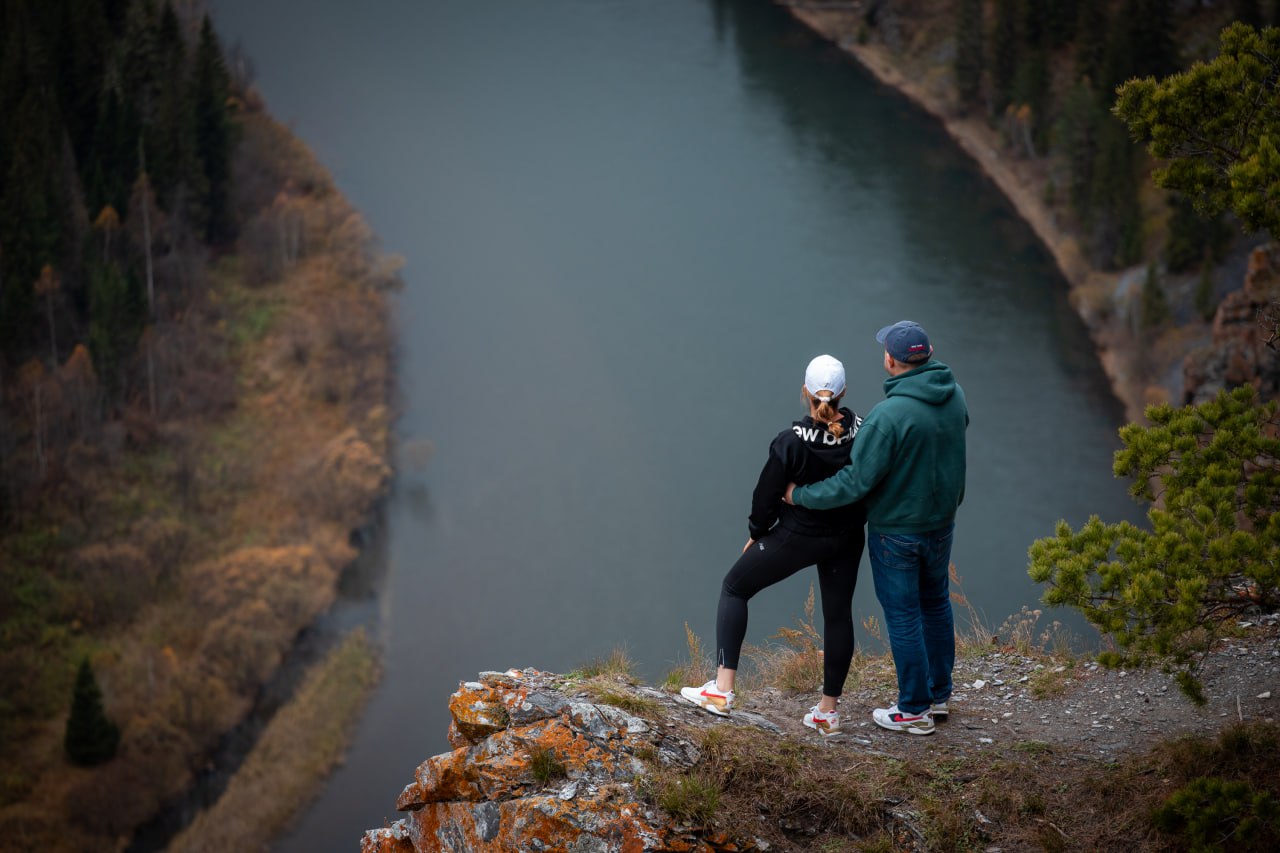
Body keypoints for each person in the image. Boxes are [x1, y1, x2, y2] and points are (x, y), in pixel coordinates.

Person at [785, 321, 967, 736]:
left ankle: (913, 710)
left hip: (897, 530)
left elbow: (854, 483)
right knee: (936, 603)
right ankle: (938, 696)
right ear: (929, 351)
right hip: (941, 523)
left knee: (903, 615)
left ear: (890, 360)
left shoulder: (887, 417)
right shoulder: (955, 396)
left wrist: (800, 496)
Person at [680, 355, 866, 736]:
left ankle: (722, 689)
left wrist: (757, 531)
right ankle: (827, 712)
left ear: (805, 392)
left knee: (735, 587)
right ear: (844, 393)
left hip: (799, 536)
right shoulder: (863, 431)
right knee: (837, 615)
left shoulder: (790, 442)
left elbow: (766, 495)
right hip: (847, 537)